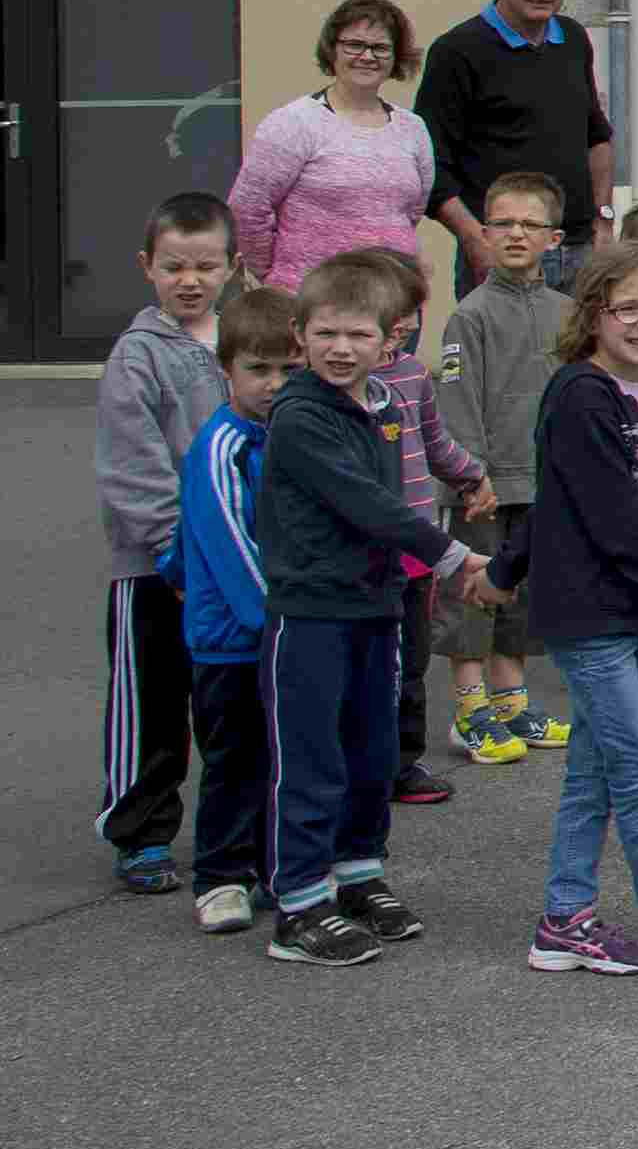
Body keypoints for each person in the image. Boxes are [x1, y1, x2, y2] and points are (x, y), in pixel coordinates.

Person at [254, 252, 493, 964]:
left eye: (359, 334)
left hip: (376, 606)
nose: (340, 348)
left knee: (371, 747)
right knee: (311, 754)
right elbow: (367, 504)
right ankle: (298, 900)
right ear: (298, 335)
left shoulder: (386, 405)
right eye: (325, 332)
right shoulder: (299, 414)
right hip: (310, 612)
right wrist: (452, 555)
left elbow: (400, 499)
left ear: (391, 339)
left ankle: (358, 872)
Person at [502, 251, 638, 978]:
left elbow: (560, 499)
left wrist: (502, 571)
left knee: (593, 773)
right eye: (627, 307)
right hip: (592, 612)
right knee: (637, 762)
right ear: (593, 313)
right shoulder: (582, 396)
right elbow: (615, 513)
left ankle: (563, 918)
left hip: (625, 614)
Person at [96, 192, 239, 895]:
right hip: (153, 569)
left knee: (228, 703)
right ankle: (142, 832)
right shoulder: (137, 356)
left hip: (232, 566)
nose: (190, 279)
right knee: (151, 705)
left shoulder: (246, 347)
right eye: (174, 265)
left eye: (205, 265)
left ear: (232, 268)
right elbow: (133, 464)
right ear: (147, 266)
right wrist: (171, 550)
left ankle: (234, 828)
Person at [431, 171, 572, 759]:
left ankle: (511, 700)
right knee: (475, 592)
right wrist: (472, 475)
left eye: (529, 224)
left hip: (540, 482)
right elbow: (458, 401)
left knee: (523, 594)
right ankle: (469, 708)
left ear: (555, 238)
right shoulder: (471, 314)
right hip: (485, 485)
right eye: (502, 223)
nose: (515, 234)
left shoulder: (567, 313)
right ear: (484, 234)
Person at [172, 287, 295, 931]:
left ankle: (278, 871)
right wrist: (274, 624)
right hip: (234, 641)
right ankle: (219, 876)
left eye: (288, 369)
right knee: (233, 760)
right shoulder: (221, 445)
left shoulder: (287, 436)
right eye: (258, 369)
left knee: (280, 758)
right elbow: (227, 546)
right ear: (227, 369)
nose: (274, 384)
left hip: (278, 633)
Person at [413, 0, 612, 285]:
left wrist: (604, 220)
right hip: (504, 253)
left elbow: (596, 137)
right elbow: (431, 166)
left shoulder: (573, 39)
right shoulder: (457, 51)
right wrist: (475, 238)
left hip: (579, 250)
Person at [229, 0, 439, 289]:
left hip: (395, 305)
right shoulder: (293, 123)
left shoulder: (412, 128)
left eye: (380, 48)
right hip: (311, 307)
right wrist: (274, 276)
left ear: (396, 57)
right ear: (332, 50)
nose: (367, 56)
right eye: (354, 45)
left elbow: (413, 212)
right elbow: (247, 207)